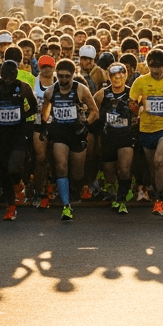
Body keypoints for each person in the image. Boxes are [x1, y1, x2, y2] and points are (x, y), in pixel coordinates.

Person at [0, 59, 38, 221]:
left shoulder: (23, 87)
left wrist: (23, 118)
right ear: (0, 73)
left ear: (16, 74)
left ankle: (20, 181)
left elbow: (33, 107)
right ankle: (11, 205)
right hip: (1, 132)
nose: (8, 79)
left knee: (14, 166)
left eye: (11, 76)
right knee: (4, 168)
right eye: (5, 76)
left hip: (19, 131)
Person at [41, 59, 99, 221]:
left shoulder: (81, 90)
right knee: (61, 166)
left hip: (77, 133)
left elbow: (95, 111)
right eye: (60, 76)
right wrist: (48, 126)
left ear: (73, 75)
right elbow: (44, 114)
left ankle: (76, 188)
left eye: (67, 76)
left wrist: (86, 124)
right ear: (56, 75)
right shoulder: (50, 92)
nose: (64, 80)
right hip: (60, 133)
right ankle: (66, 205)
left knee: (77, 171)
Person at [130, 49, 163, 218]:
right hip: (147, 129)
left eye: (159, 67)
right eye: (152, 67)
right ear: (148, 66)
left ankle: (160, 199)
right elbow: (132, 101)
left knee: (159, 160)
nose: (156, 71)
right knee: (154, 167)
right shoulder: (140, 82)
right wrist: (135, 109)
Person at [97, 63, 138, 214]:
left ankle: (121, 200)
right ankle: (114, 192)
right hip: (108, 137)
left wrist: (133, 111)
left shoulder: (131, 93)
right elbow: (92, 109)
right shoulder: (103, 94)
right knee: (109, 173)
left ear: (126, 76)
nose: (117, 78)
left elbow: (138, 112)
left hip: (126, 136)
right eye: (114, 75)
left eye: (120, 75)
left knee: (124, 170)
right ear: (109, 76)